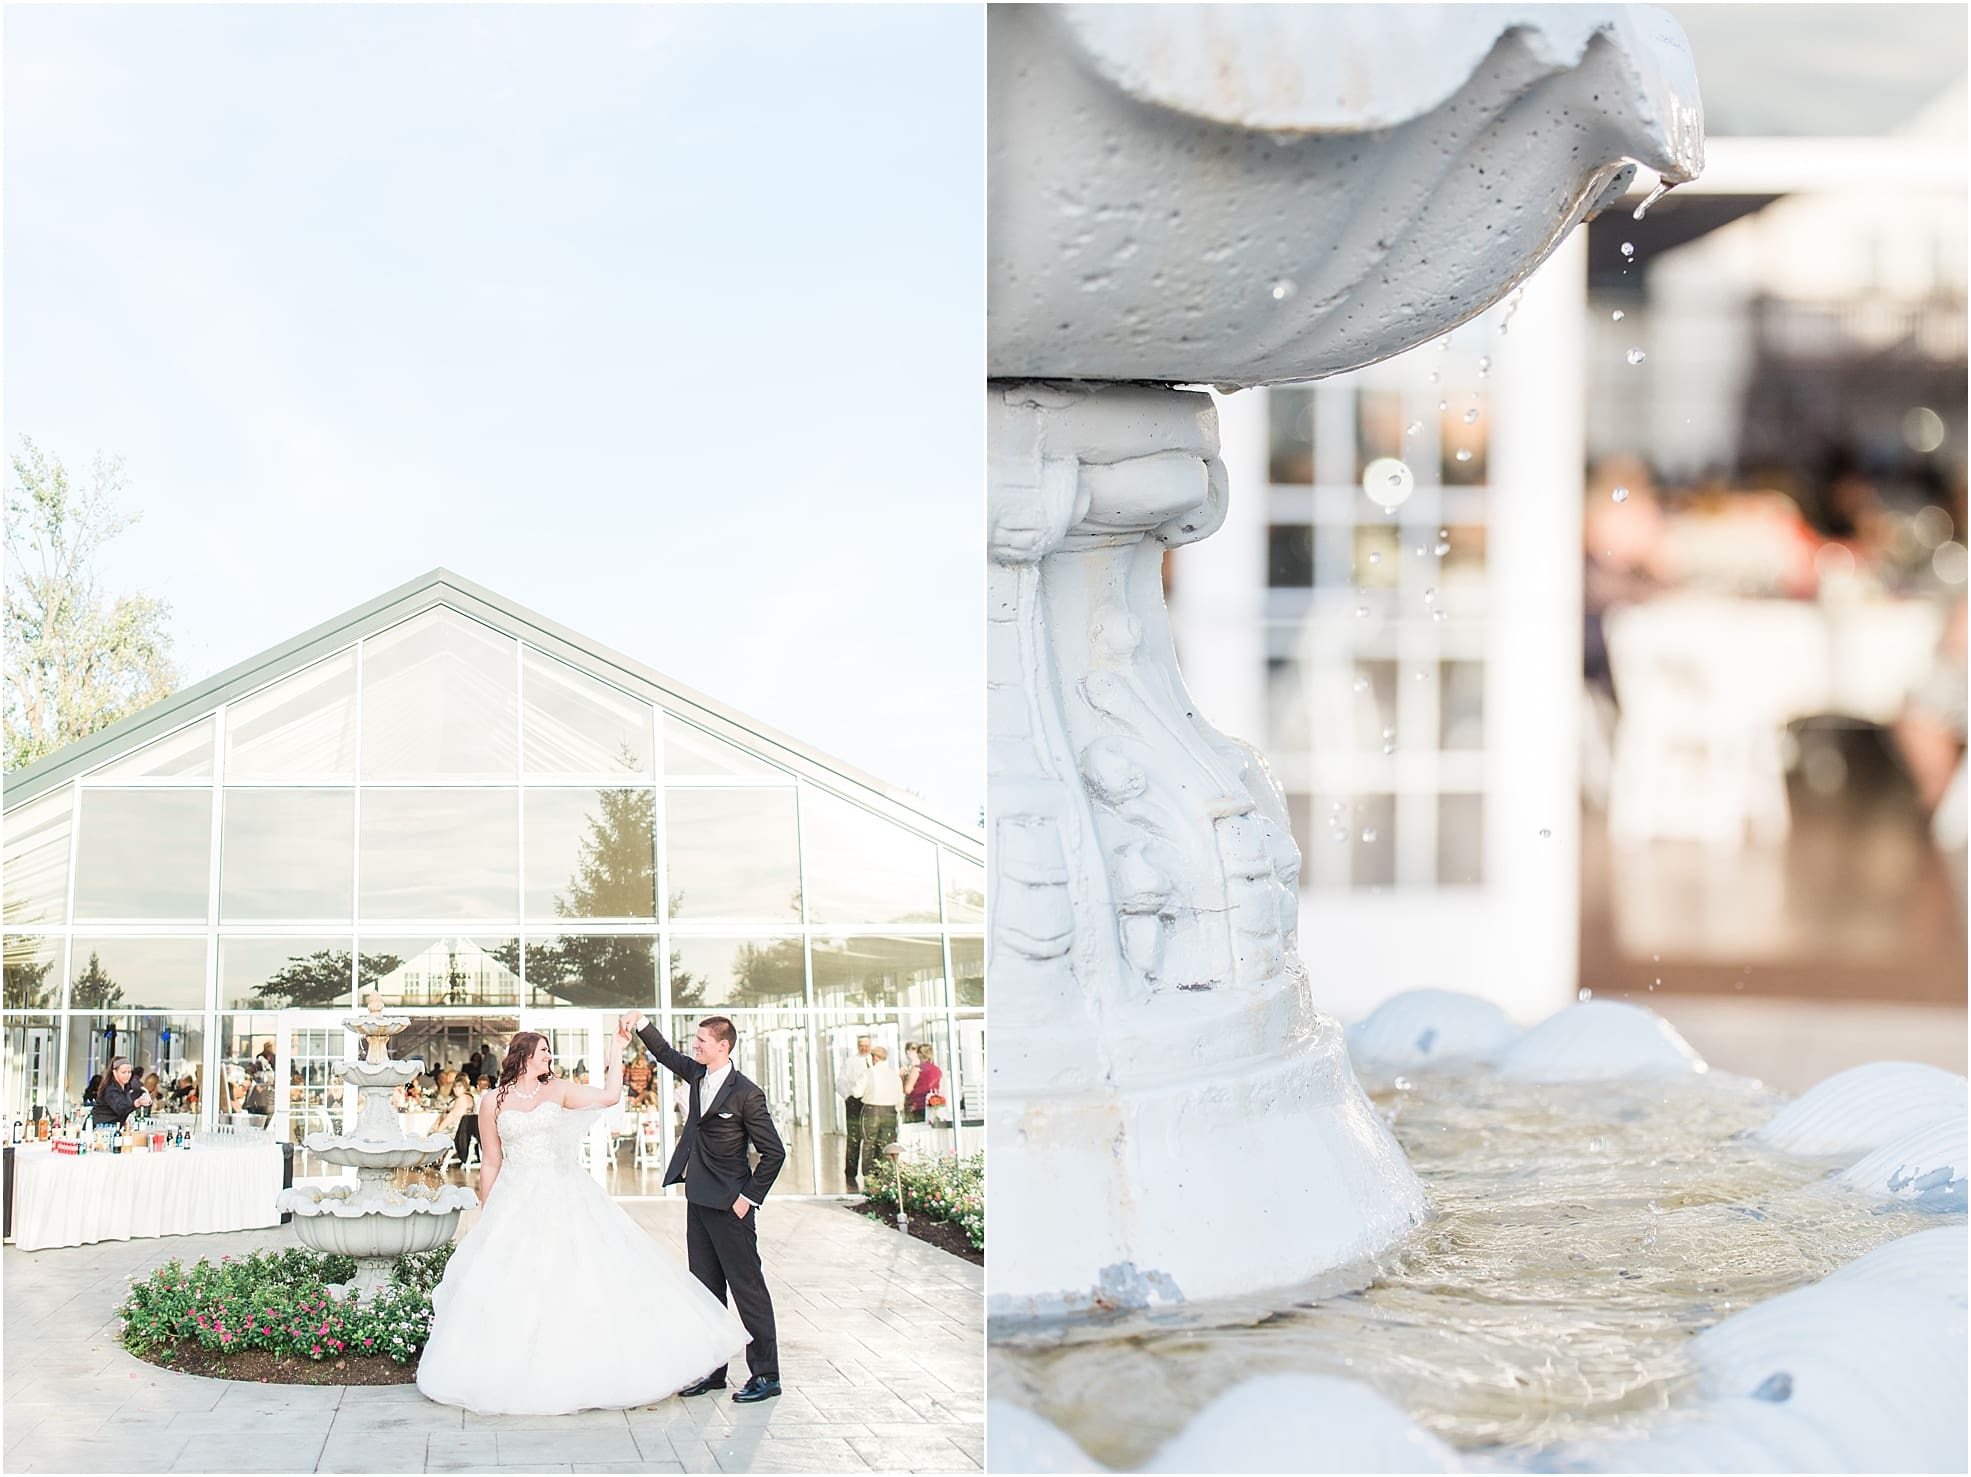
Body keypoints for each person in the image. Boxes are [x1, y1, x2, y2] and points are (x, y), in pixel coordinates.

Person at [416, 1028, 747, 1415]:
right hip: (515, 1200)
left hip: (562, 1193)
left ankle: (578, 1367)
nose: (548, 1058)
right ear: (522, 1055)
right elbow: (491, 1161)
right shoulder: (493, 1101)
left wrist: (615, 1050)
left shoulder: (558, 1090)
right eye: (543, 1051)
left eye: (549, 1052)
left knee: (572, 1276)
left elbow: (609, 1096)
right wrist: (489, 1214)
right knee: (515, 1284)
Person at [623, 1010, 785, 1404]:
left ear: (722, 1047)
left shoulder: (747, 1093)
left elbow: (773, 1153)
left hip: (732, 1207)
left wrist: (748, 1200)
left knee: (748, 1291)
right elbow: (663, 1052)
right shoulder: (696, 1074)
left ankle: (766, 1375)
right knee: (705, 1291)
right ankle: (713, 1371)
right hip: (697, 1199)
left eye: (701, 1042)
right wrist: (641, 1022)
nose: (694, 1046)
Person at [853, 1045, 904, 1181]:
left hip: (872, 1110)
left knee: (869, 1141)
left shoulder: (869, 1073)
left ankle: (869, 1174)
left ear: (874, 1058)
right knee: (887, 1141)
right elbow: (900, 1099)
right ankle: (885, 1173)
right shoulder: (894, 1075)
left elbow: (856, 1092)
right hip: (890, 1111)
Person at [842, 1034, 872, 1191]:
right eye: (862, 1045)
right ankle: (850, 1173)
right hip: (854, 1101)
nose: (864, 1048)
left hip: (871, 1102)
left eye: (867, 1045)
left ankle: (869, 1173)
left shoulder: (874, 1062)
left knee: (870, 1137)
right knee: (854, 1138)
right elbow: (842, 1081)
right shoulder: (851, 1062)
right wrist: (849, 1097)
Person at [90, 1057, 151, 1126]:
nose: (127, 1075)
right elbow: (121, 1109)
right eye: (123, 1072)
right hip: (100, 1127)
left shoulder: (126, 1088)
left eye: (129, 1072)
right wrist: (136, 1103)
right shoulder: (110, 1089)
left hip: (114, 1126)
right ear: (114, 1072)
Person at [438, 1077, 478, 1166]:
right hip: (465, 1129)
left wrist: (439, 1128)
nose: (456, 1089)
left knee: (433, 1134)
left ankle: (434, 1159)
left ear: (465, 1087)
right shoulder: (468, 1096)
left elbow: (453, 1115)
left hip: (459, 1130)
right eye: (454, 1087)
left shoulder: (462, 1098)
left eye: (459, 1086)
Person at [904, 1044, 943, 1124]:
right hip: (933, 1104)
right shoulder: (937, 1070)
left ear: (919, 1054)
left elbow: (908, 1089)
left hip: (918, 1105)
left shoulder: (917, 1068)